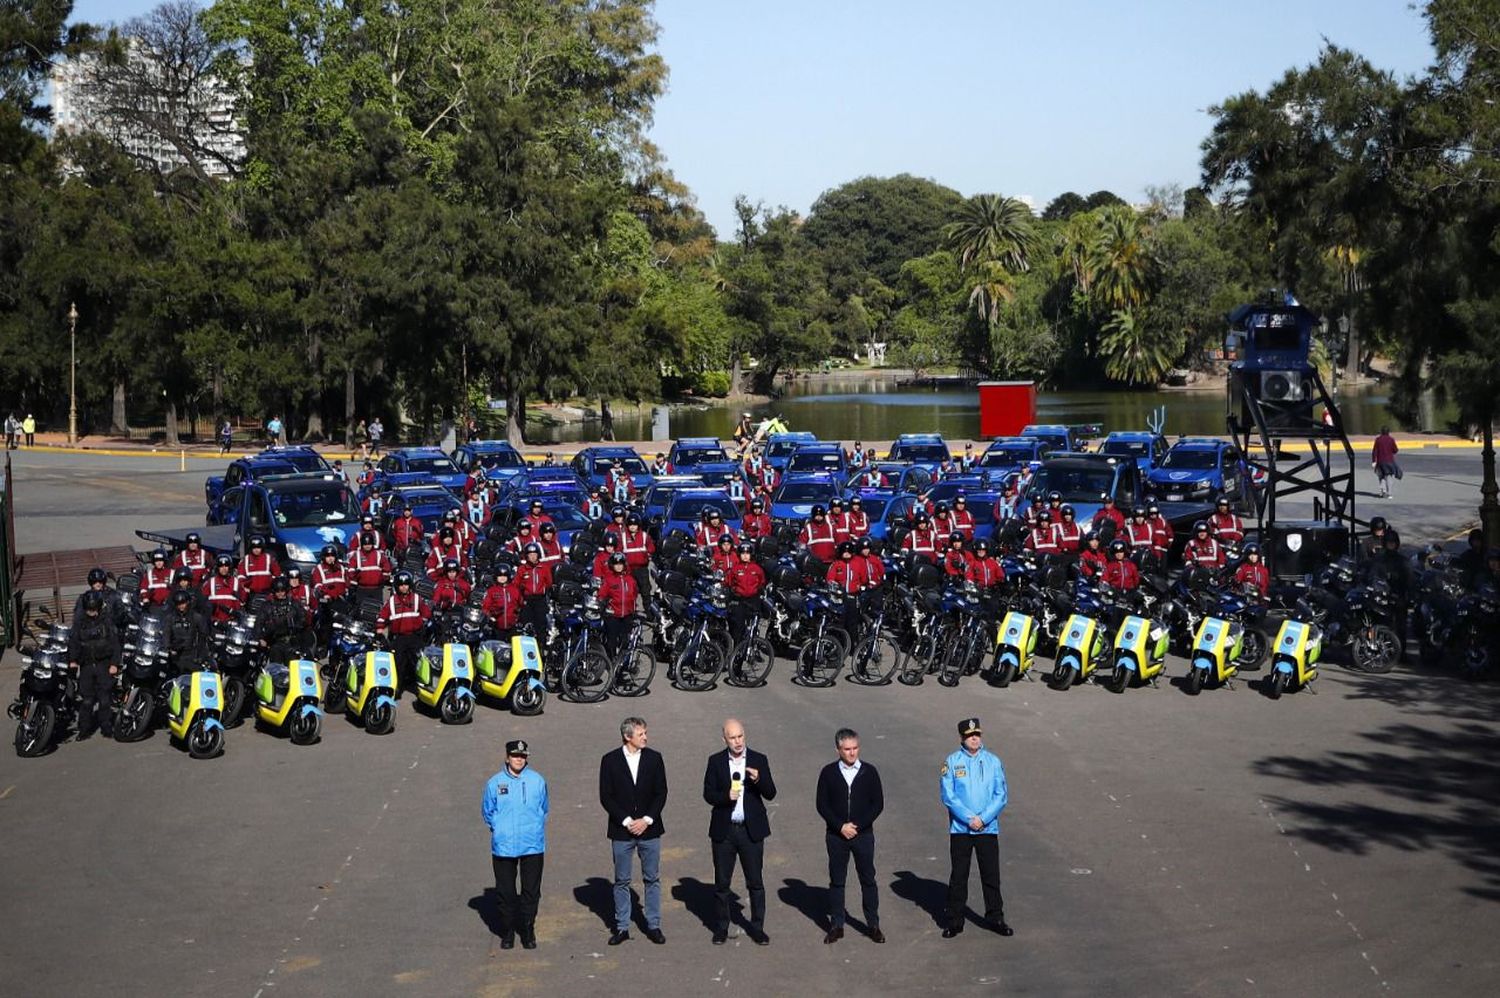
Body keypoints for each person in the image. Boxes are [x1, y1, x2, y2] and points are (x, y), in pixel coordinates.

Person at [702, 718, 776, 945]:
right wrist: (726, 797)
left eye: (740, 736)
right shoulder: (715, 761)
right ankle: (721, 927)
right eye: (732, 737)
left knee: (755, 881)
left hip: (750, 831)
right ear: (724, 739)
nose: (737, 741)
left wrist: (759, 779)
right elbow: (708, 794)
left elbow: (771, 793)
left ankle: (758, 927)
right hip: (725, 831)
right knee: (722, 883)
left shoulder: (758, 759)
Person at [599, 716, 669, 946]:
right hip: (622, 831)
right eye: (641, 734)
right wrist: (628, 821)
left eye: (645, 733)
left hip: (649, 829)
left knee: (652, 878)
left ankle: (654, 924)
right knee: (621, 880)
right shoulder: (609, 760)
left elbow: (661, 792)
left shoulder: (655, 758)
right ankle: (622, 927)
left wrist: (647, 819)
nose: (646, 737)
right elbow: (606, 796)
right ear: (628, 736)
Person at [941, 718, 1011, 938]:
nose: (975, 738)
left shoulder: (993, 761)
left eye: (977, 735)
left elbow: (1001, 794)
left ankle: (995, 917)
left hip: (987, 828)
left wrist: (983, 818)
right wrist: (969, 818)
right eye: (970, 735)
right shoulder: (952, 762)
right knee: (959, 876)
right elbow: (948, 796)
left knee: (991, 875)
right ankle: (955, 920)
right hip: (961, 829)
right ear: (962, 737)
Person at [815, 727, 885, 944]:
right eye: (847, 749)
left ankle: (873, 924)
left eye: (855, 748)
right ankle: (837, 925)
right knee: (837, 881)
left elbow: (878, 804)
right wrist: (839, 826)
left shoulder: (870, 772)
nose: (852, 753)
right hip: (836, 836)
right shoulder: (828, 773)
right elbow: (822, 805)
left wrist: (858, 825)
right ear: (838, 750)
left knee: (868, 880)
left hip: (863, 835)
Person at [483, 739, 549, 950]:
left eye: (522, 756)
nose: (518, 759)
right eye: (515, 756)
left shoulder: (537, 780)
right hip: (504, 845)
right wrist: (499, 827)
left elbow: (544, 807)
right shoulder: (494, 783)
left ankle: (528, 929)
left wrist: (536, 825)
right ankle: (508, 930)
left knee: (531, 890)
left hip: (532, 844)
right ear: (507, 757)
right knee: (506, 891)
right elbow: (487, 810)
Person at [68, 591, 121, 741]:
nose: (92, 612)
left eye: (94, 609)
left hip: (103, 664)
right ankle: (84, 729)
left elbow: (115, 644)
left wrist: (114, 664)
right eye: (89, 609)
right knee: (87, 700)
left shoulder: (107, 622)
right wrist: (73, 660)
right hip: (86, 666)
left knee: (105, 699)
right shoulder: (79, 623)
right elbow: (74, 643)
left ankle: (106, 727)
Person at [376, 570, 431, 684]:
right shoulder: (391, 601)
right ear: (397, 586)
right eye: (401, 585)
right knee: (398, 664)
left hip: (414, 637)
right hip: (399, 638)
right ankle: (397, 689)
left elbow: (426, 613)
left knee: (419, 663)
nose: (404, 587)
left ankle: (419, 690)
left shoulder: (416, 598)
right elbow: (382, 616)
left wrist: (420, 623)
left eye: (406, 584)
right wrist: (380, 628)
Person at [482, 563, 525, 634]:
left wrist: (519, 617)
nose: (502, 578)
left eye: (505, 576)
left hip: (512, 625)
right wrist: (490, 617)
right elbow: (485, 607)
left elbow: (521, 604)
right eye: (500, 576)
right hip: (496, 625)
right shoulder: (491, 591)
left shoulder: (515, 590)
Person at [1372, 426, 1400, 498]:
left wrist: (1374, 461)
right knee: (1389, 476)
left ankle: (1383, 492)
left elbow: (1374, 451)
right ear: (1388, 432)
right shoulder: (1391, 439)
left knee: (1381, 477)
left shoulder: (1378, 440)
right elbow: (1395, 450)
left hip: (1380, 461)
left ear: (1381, 432)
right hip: (1389, 461)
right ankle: (1389, 494)